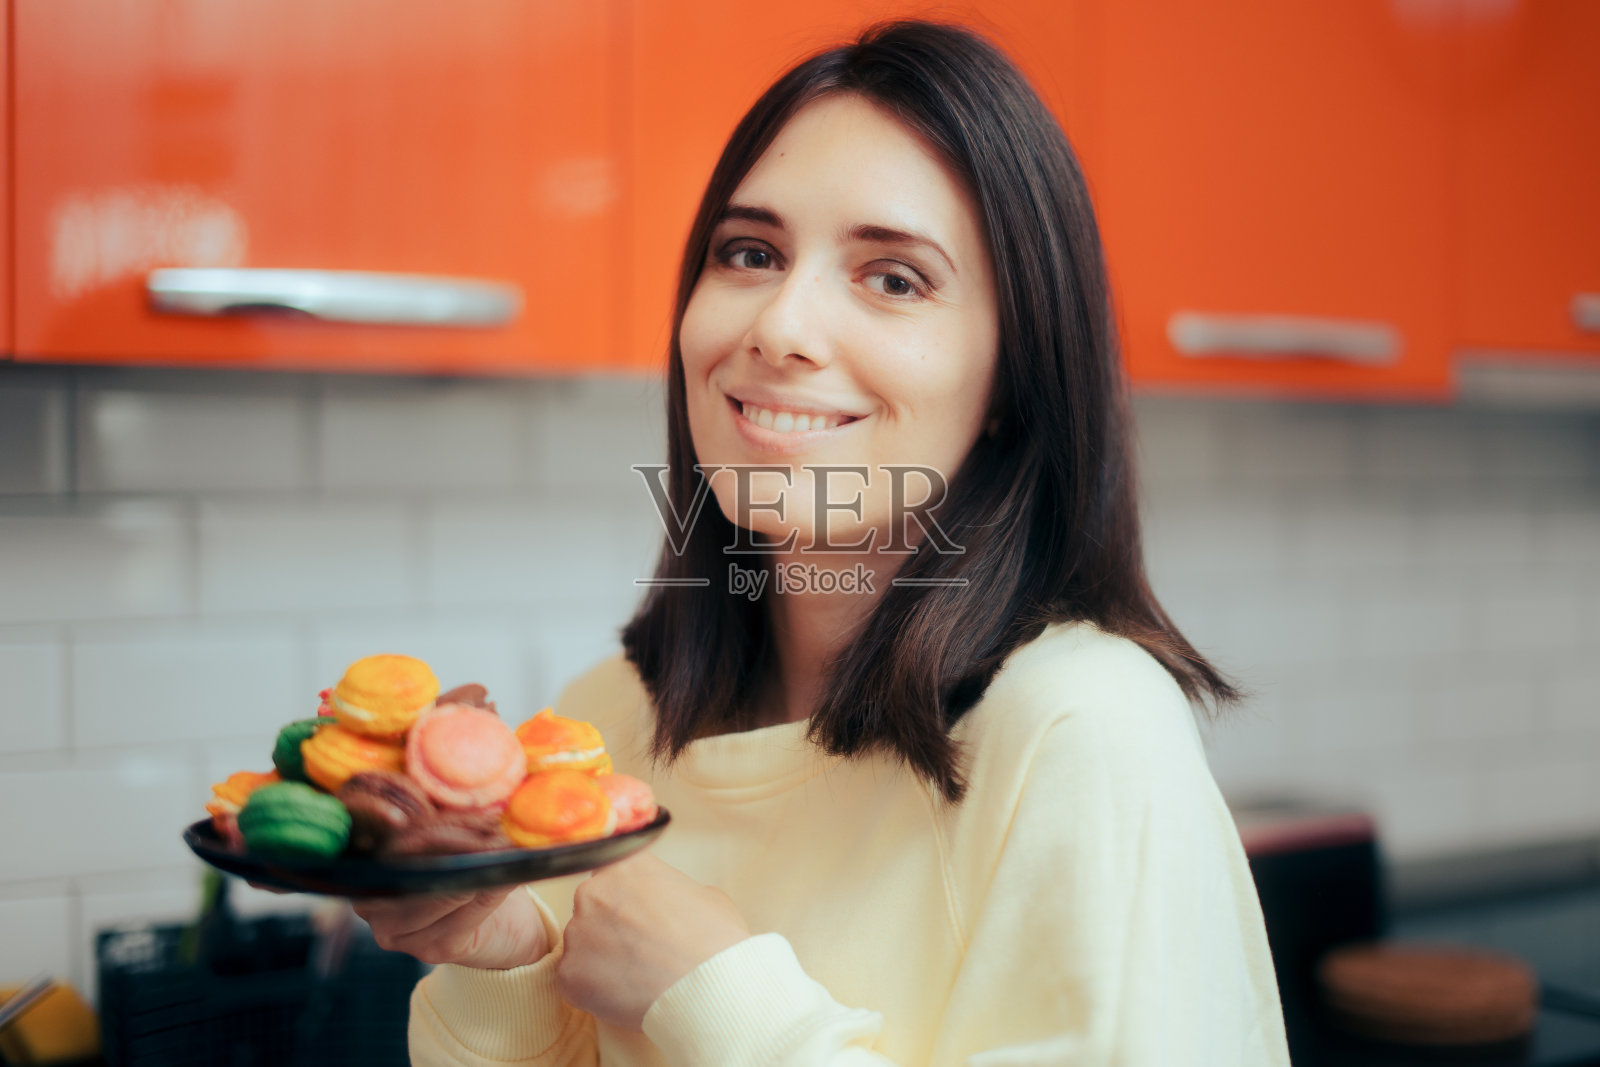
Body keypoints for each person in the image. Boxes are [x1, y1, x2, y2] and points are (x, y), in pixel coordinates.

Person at [355, 19, 1291, 1066]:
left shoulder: (1082, 727)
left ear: (1012, 376)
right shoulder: (594, 728)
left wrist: (715, 999)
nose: (780, 324)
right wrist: (516, 959)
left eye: (893, 277)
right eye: (749, 253)